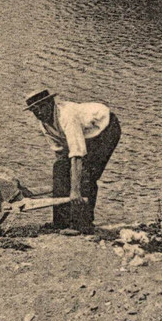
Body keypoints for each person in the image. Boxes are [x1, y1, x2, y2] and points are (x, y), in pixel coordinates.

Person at [22, 89, 121, 233]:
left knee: (86, 173)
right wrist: (63, 181)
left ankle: (82, 225)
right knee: (60, 168)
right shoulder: (44, 123)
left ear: (50, 103)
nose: (38, 113)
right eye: (34, 110)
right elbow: (61, 155)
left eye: (40, 107)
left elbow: (76, 154)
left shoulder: (67, 116)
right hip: (86, 132)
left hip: (106, 128)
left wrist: (75, 190)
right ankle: (61, 222)